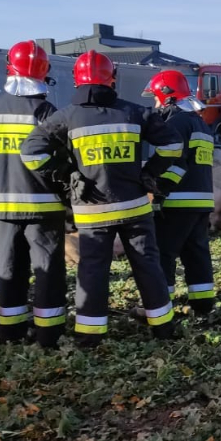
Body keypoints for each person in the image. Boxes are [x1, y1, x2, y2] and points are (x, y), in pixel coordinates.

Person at [19, 51, 179, 346]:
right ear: (112, 79)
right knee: (148, 266)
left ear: (77, 81)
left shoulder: (65, 116)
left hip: (92, 211)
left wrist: (67, 174)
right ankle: (164, 330)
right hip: (134, 208)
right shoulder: (135, 112)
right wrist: (150, 173)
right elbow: (173, 144)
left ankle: (90, 337)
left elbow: (30, 152)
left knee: (92, 270)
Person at [0, 41, 67, 347]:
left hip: (4, 208)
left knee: (10, 270)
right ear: (44, 73)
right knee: (48, 272)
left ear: (8, 69)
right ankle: (48, 335)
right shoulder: (45, 110)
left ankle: (10, 333)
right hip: (44, 210)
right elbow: (59, 161)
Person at [143, 70, 216, 316]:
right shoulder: (200, 124)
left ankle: (161, 307)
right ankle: (203, 305)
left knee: (164, 253)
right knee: (197, 254)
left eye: (156, 98)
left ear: (168, 96)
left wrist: (158, 190)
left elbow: (177, 163)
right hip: (202, 201)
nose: (155, 104)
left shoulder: (175, 123)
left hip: (177, 201)